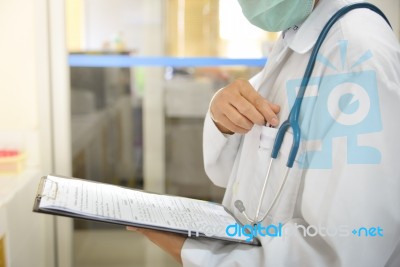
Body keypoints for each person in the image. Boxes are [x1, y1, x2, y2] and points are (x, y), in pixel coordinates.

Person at [129, 0, 400, 266]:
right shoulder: (299, 38)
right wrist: (221, 112)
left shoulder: (355, 53)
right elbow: (233, 171)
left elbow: (346, 252)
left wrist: (195, 253)